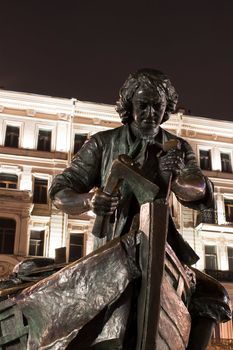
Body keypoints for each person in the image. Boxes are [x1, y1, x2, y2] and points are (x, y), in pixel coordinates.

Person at [50, 69, 231, 349]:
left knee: (215, 296)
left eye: (157, 106)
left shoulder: (178, 147)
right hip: (113, 249)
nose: (150, 112)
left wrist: (181, 177)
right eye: (142, 105)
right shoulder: (102, 143)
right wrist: (88, 200)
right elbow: (59, 191)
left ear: (166, 107)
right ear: (129, 105)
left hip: (162, 249)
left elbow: (200, 190)